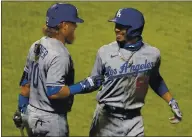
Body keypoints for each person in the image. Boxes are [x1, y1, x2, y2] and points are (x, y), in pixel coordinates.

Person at [88, 8, 183, 136]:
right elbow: (92, 82)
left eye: (121, 27)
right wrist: (70, 90)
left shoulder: (152, 54)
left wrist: (172, 102)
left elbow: (155, 79)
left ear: (134, 29)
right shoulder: (104, 52)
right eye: (116, 25)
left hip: (134, 121)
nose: (116, 29)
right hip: (107, 119)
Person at [13, 3, 104, 136]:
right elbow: (54, 91)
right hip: (51, 122)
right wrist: (83, 85)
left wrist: (21, 111)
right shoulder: (60, 54)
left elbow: (26, 84)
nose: (75, 27)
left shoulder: (36, 45)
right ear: (64, 25)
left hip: (31, 116)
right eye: (73, 23)